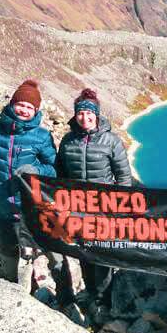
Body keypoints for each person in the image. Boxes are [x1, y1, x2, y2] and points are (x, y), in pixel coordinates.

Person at [0, 79, 57, 284]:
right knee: (8, 255)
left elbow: (54, 170)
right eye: (21, 104)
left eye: (30, 107)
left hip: (35, 209)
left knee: (54, 255)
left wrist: (36, 170)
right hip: (3, 209)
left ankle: (65, 297)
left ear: (36, 111)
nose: (24, 110)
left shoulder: (42, 136)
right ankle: (8, 292)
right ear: (12, 103)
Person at [54, 88, 132, 321]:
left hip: (105, 210)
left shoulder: (111, 141)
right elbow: (60, 174)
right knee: (84, 252)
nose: (85, 118)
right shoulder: (68, 141)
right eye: (80, 113)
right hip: (78, 210)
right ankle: (90, 292)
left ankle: (103, 299)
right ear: (75, 115)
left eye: (89, 114)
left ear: (97, 115)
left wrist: (120, 208)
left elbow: (124, 178)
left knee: (103, 255)